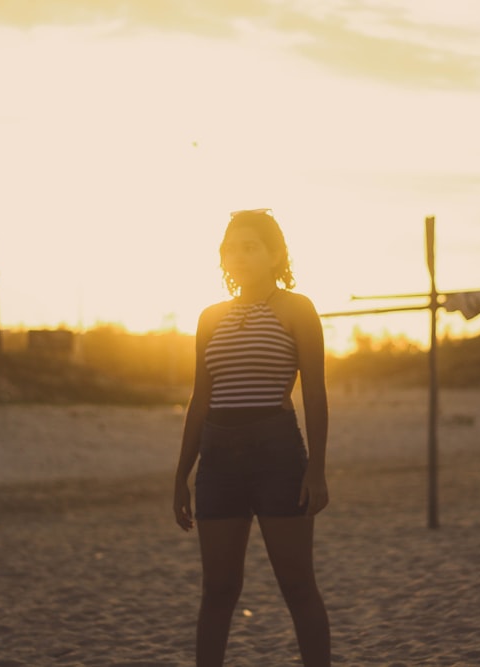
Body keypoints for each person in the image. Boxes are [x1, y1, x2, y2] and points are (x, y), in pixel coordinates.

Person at [173, 209, 331, 667]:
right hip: (218, 463)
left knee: (298, 585)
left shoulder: (296, 309)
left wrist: (317, 470)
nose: (238, 256)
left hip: (278, 457)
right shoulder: (209, 317)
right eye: (230, 248)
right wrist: (182, 474)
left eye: (250, 246)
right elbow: (200, 400)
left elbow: (316, 394)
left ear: (275, 254)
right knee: (218, 591)